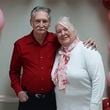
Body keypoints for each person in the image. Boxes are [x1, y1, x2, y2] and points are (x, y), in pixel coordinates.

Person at [9, 6, 97, 110]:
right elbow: (13, 72)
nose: (41, 25)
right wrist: (18, 91)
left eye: (44, 21)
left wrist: (88, 43)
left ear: (49, 23)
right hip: (29, 99)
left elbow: (72, 43)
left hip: (51, 99)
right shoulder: (20, 44)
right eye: (37, 21)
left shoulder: (56, 39)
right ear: (31, 22)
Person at [51, 16, 105, 110]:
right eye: (59, 32)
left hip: (85, 107)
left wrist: (94, 106)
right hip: (62, 106)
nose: (62, 33)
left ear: (74, 31)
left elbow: (99, 80)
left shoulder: (88, 49)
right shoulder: (58, 54)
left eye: (66, 29)